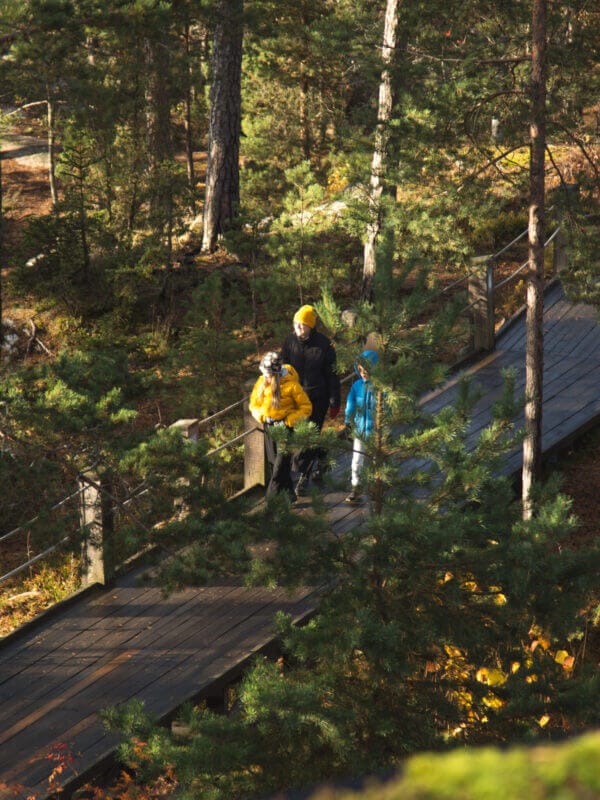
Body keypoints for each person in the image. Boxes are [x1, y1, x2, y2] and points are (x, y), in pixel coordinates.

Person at [281, 304, 341, 496]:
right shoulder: (289, 341)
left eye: (302, 325)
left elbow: (332, 374)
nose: (297, 328)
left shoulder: (323, 345)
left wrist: (335, 400)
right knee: (299, 437)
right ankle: (322, 454)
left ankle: (302, 479)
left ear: (310, 326)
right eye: (295, 324)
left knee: (307, 438)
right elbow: (283, 369)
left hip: (317, 398)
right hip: (295, 399)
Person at [249, 351, 312, 501]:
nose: (265, 376)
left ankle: (270, 501)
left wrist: (290, 420)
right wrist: (262, 416)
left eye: (268, 374)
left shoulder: (291, 385)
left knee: (279, 466)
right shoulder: (261, 382)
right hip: (269, 427)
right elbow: (253, 404)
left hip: (285, 429)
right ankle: (289, 494)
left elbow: (306, 407)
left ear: (275, 373)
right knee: (274, 463)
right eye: (264, 373)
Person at [343, 350, 379, 505]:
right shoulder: (356, 386)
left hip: (377, 432)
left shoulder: (380, 387)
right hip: (359, 430)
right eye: (361, 370)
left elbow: (388, 407)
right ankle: (356, 487)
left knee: (377, 461)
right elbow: (350, 405)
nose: (364, 373)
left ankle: (377, 487)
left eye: (367, 370)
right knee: (357, 459)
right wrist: (348, 421)